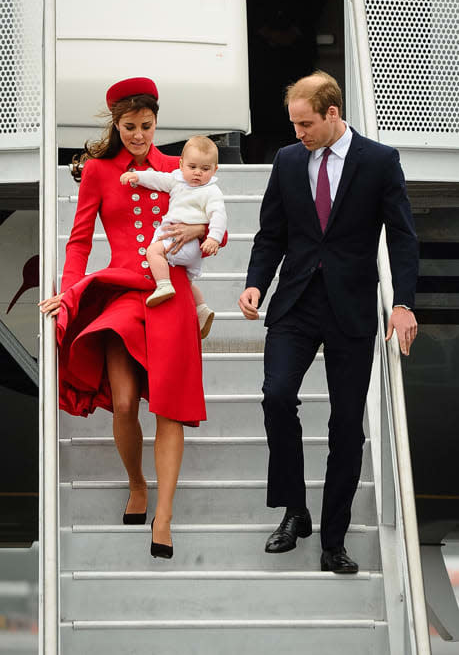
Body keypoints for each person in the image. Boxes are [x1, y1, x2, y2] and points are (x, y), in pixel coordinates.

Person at [238, 71, 418, 573]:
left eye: (306, 124)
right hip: (295, 303)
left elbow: (402, 237)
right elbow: (271, 232)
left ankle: (333, 539)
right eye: (294, 124)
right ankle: (295, 511)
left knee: (345, 426)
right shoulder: (288, 159)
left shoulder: (380, 161)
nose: (299, 133)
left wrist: (402, 301)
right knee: (276, 397)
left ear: (333, 113)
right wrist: (256, 281)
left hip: (351, 308)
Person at [39, 77, 226, 559]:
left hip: (171, 294)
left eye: (146, 126)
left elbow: (218, 226)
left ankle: (162, 516)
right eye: (129, 127)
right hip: (123, 289)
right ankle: (137, 483)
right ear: (116, 125)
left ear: (156, 122)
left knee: (169, 406)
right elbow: (80, 240)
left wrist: (200, 228)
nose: (139, 135)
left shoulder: (179, 167)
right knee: (123, 403)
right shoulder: (100, 172)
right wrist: (69, 290)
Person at [120, 135, 227, 338]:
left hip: (182, 243)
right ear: (181, 165)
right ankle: (202, 309)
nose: (197, 173)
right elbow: (158, 179)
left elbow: (219, 215)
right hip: (189, 249)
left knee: (154, 251)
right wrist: (138, 177)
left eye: (205, 169)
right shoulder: (178, 180)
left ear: (215, 170)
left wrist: (213, 237)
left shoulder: (211, 191)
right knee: (186, 283)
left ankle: (163, 285)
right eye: (192, 167)